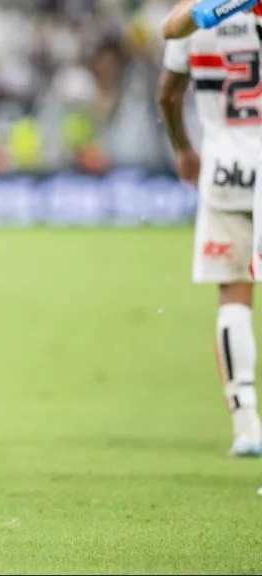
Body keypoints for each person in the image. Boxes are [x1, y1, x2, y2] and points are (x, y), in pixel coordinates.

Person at [159, 0, 262, 456]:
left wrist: (183, 147)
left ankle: (246, 425)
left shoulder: (202, 11)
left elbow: (167, 89)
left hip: (223, 169)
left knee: (233, 294)